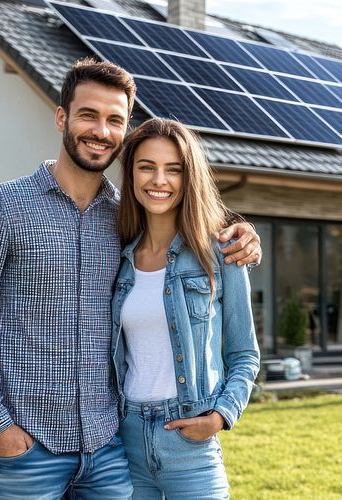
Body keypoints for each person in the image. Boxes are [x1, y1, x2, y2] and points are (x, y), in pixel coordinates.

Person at [0, 58, 261, 500]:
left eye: (115, 120)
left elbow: (185, 238)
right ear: (61, 117)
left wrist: (243, 234)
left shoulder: (124, 221)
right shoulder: (0, 208)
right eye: (89, 115)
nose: (101, 131)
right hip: (27, 447)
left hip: (109, 449)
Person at [112, 118, 261, 499]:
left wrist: (222, 415)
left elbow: (244, 353)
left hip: (190, 442)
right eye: (146, 167)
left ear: (188, 177)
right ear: (130, 176)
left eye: (173, 170)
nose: (159, 180)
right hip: (125, 439)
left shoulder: (220, 253)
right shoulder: (118, 254)